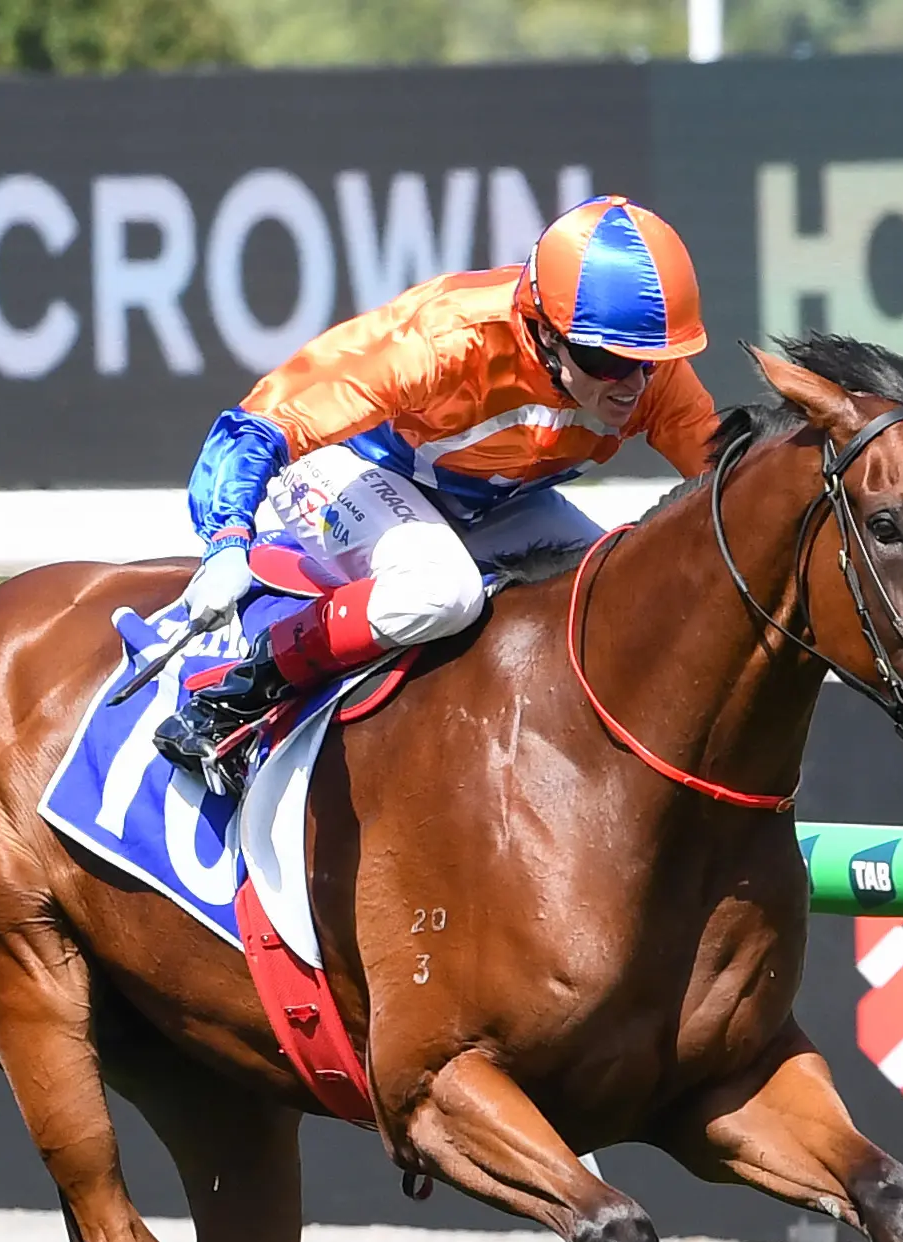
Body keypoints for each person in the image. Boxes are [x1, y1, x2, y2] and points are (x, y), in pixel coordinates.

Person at [155, 196, 720, 795]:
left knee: (617, 590)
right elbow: (258, 425)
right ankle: (239, 694)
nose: (633, 383)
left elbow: (733, 481)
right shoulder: (447, 343)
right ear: (545, 333)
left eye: (651, 362)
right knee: (442, 590)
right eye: (606, 360)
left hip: (486, 504)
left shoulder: (645, 377)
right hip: (346, 473)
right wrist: (224, 541)